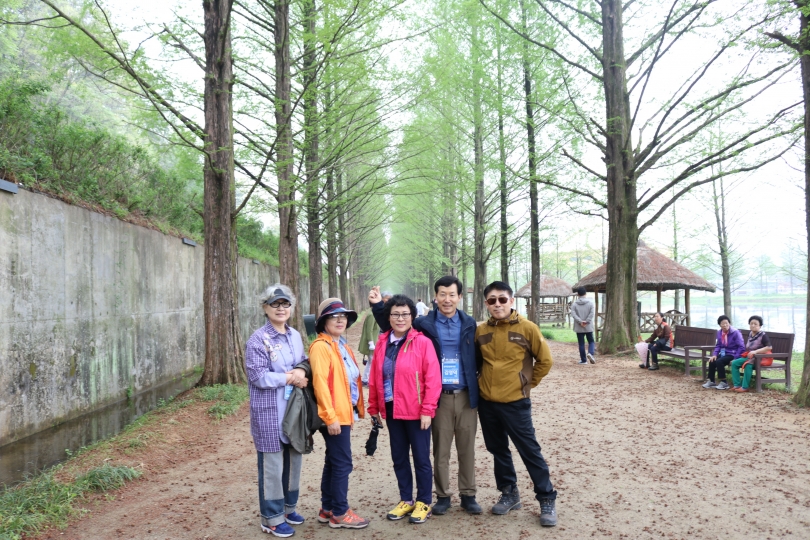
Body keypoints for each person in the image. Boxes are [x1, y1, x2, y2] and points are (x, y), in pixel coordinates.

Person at [369, 276, 483, 516]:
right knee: (440, 449)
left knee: (467, 448)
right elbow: (395, 323)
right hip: (437, 396)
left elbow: (479, 355)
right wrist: (378, 305)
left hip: (465, 394)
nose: (447, 299)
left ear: (459, 297)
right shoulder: (423, 324)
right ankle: (442, 495)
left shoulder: (469, 323)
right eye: (442, 294)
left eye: (452, 294)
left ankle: (468, 494)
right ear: (435, 296)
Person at [475, 281, 558, 528]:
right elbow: (478, 363)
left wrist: (526, 385)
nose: (497, 304)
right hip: (487, 403)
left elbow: (545, 361)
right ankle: (509, 493)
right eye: (492, 300)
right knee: (498, 449)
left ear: (511, 301)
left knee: (529, 450)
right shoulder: (481, 331)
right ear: (486, 304)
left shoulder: (527, 328)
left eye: (502, 299)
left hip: (515, 403)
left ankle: (546, 498)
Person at [367, 294, 441, 524]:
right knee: (399, 457)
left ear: (412, 316)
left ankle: (424, 502)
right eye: (395, 314)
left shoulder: (422, 342)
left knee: (421, 458)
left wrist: (427, 409)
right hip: (392, 410)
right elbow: (375, 376)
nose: (400, 318)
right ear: (388, 317)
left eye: (405, 314)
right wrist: (374, 407)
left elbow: (433, 379)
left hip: (416, 411)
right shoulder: (383, 342)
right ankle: (406, 499)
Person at [245, 284, 309, 538]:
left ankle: (288, 508)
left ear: (291, 308)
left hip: (293, 410)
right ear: (265, 308)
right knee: (272, 466)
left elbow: (302, 361)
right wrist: (291, 378)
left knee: (293, 460)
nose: (281, 308)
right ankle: (271, 518)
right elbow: (258, 376)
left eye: (285, 304)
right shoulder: (258, 339)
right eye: (275, 304)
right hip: (269, 412)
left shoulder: (295, 335)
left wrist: (301, 370)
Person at [309, 298, 370, 529]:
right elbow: (320, 384)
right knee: (343, 463)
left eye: (343, 316)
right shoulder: (321, 347)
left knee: (333, 461)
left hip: (344, 412)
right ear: (323, 322)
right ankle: (340, 513)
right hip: (334, 415)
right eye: (333, 317)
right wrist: (330, 417)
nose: (340, 320)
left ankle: (327, 509)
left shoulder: (341, 346)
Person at [730, 315, 773, 393]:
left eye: (755, 324)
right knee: (734, 363)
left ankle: (745, 387)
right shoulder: (751, 333)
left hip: (760, 358)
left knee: (748, 365)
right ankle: (737, 385)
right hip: (750, 357)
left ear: (760, 325)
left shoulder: (763, 335)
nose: (753, 325)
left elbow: (769, 347)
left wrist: (755, 352)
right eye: (751, 323)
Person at [702, 315, 745, 390]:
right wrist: (715, 354)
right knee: (712, 360)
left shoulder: (735, 332)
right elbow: (718, 345)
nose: (725, 325)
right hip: (724, 353)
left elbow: (741, 347)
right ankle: (711, 381)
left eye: (726, 323)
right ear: (720, 325)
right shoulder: (719, 332)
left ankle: (724, 382)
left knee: (719, 361)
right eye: (723, 324)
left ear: (729, 323)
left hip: (733, 354)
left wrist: (736, 358)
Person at [358, 292, 392, 385]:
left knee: (371, 362)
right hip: (372, 342)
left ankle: (366, 379)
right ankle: (367, 379)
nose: (387, 302)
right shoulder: (372, 315)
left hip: (375, 341)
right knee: (372, 362)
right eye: (386, 299)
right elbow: (369, 330)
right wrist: (371, 343)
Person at [570, 287, 596, 365]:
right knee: (591, 341)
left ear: (578, 294)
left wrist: (580, 321)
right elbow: (592, 313)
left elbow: (573, 314)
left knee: (581, 344)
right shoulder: (590, 303)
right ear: (585, 293)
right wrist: (586, 321)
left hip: (579, 327)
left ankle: (584, 360)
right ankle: (590, 353)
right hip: (588, 326)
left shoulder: (574, 304)